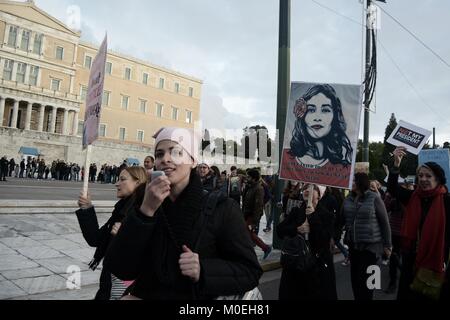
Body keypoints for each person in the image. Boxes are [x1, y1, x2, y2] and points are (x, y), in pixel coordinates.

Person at [103, 127, 262, 300]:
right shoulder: (145, 202)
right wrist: (145, 211)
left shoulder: (223, 208)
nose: (165, 159)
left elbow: (250, 271)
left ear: (193, 161)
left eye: (177, 152)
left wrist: (203, 269)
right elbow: (119, 267)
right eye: (159, 154)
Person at [76, 166, 148, 300]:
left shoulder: (142, 214)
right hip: (108, 282)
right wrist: (87, 208)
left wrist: (125, 236)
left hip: (123, 287)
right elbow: (95, 239)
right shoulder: (121, 209)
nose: (117, 183)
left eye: (122, 179)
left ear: (137, 183)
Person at [388, 146, 450, 301]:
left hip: (435, 263)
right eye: (420, 176)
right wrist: (396, 164)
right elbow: (392, 188)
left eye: (428, 176)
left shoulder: (447, 201)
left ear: (438, 180)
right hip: (411, 262)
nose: (423, 179)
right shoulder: (413, 197)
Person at [282, 84, 353, 188]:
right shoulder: (287, 158)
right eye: (311, 110)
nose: (317, 118)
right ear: (302, 115)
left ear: (335, 116)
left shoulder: (344, 168)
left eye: (325, 110)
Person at [277, 184, 337, 300]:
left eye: (312, 188)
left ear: (319, 196)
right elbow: (280, 231)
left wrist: (313, 217)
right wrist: (296, 229)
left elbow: (324, 239)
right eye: (305, 188)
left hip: (316, 270)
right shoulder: (295, 212)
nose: (307, 190)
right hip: (296, 268)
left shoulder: (327, 216)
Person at [342, 172, 392, 300]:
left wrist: (387, 245)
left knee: (369, 285)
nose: (351, 183)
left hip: (372, 248)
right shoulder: (347, 199)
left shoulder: (374, 197)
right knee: (356, 283)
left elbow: (384, 222)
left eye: (353, 180)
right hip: (354, 247)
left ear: (361, 182)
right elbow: (340, 220)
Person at [242, 168, 272, 259]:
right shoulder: (250, 187)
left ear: (254, 178)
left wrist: (255, 221)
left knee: (249, 233)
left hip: (252, 216)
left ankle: (265, 248)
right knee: (246, 233)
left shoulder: (259, 188)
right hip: (246, 214)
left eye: (249, 177)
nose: (247, 178)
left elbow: (258, 206)